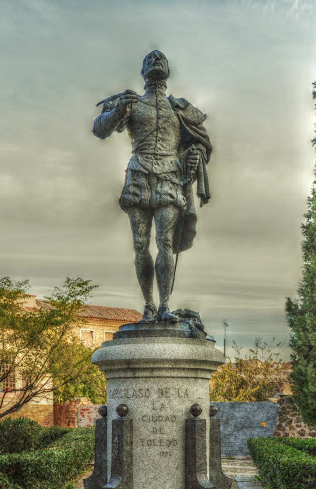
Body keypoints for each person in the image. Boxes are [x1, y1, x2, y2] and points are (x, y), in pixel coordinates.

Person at [93, 50, 212, 323]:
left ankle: (164, 306)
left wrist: (195, 155)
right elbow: (100, 128)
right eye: (151, 60)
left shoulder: (180, 108)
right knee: (140, 243)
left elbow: (202, 143)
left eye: (161, 60)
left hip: (170, 175)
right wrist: (120, 110)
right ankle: (148, 305)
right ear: (143, 71)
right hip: (139, 173)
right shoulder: (130, 103)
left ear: (167, 71)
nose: (156, 61)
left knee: (165, 242)